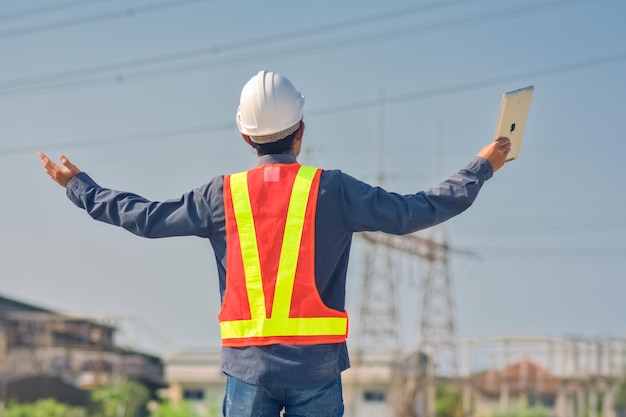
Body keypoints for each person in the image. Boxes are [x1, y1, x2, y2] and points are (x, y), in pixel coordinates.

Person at [39, 70, 511, 417]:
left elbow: (144, 217)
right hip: (318, 370)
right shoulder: (333, 189)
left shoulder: (220, 195)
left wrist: (80, 187)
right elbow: (415, 211)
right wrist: (481, 167)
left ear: (246, 135)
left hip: (247, 372)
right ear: (301, 131)